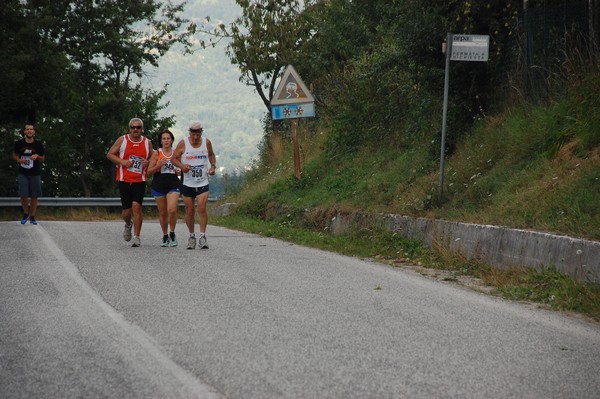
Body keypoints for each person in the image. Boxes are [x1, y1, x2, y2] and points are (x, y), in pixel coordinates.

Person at [106, 117, 153, 247]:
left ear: (142, 129)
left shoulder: (147, 142)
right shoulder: (122, 140)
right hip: (124, 179)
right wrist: (123, 162)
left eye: (138, 127)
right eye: (133, 127)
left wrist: (148, 162)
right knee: (126, 211)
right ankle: (128, 224)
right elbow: (110, 154)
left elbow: (152, 157)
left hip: (139, 179)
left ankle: (137, 237)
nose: (135, 129)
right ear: (129, 128)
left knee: (137, 207)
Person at [171, 121, 216, 250]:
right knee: (190, 211)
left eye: (198, 134)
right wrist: (182, 167)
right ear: (189, 133)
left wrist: (212, 166)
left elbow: (211, 154)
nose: (195, 137)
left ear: (201, 133)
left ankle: (202, 237)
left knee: (201, 208)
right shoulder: (183, 143)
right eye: (193, 134)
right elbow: (173, 158)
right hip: (187, 182)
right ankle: (191, 236)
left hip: (202, 181)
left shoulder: (206, 142)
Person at [147, 129, 181, 247]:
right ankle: (165, 235)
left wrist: (179, 170)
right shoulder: (157, 153)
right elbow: (148, 172)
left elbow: (181, 168)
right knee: (163, 212)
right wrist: (158, 165)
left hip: (173, 184)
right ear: (160, 141)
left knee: (171, 210)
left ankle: (172, 233)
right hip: (159, 184)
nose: (166, 141)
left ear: (171, 140)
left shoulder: (176, 153)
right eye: (164, 139)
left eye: (168, 138)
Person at [12, 123, 45, 225]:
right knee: (23, 195)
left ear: (34, 132)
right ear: (25, 132)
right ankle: (26, 213)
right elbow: (14, 154)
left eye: (31, 129)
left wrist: (37, 156)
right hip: (23, 173)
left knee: (34, 196)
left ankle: (33, 217)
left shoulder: (38, 144)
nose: (29, 131)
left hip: (35, 173)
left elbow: (43, 158)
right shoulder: (19, 143)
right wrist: (18, 160)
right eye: (27, 129)